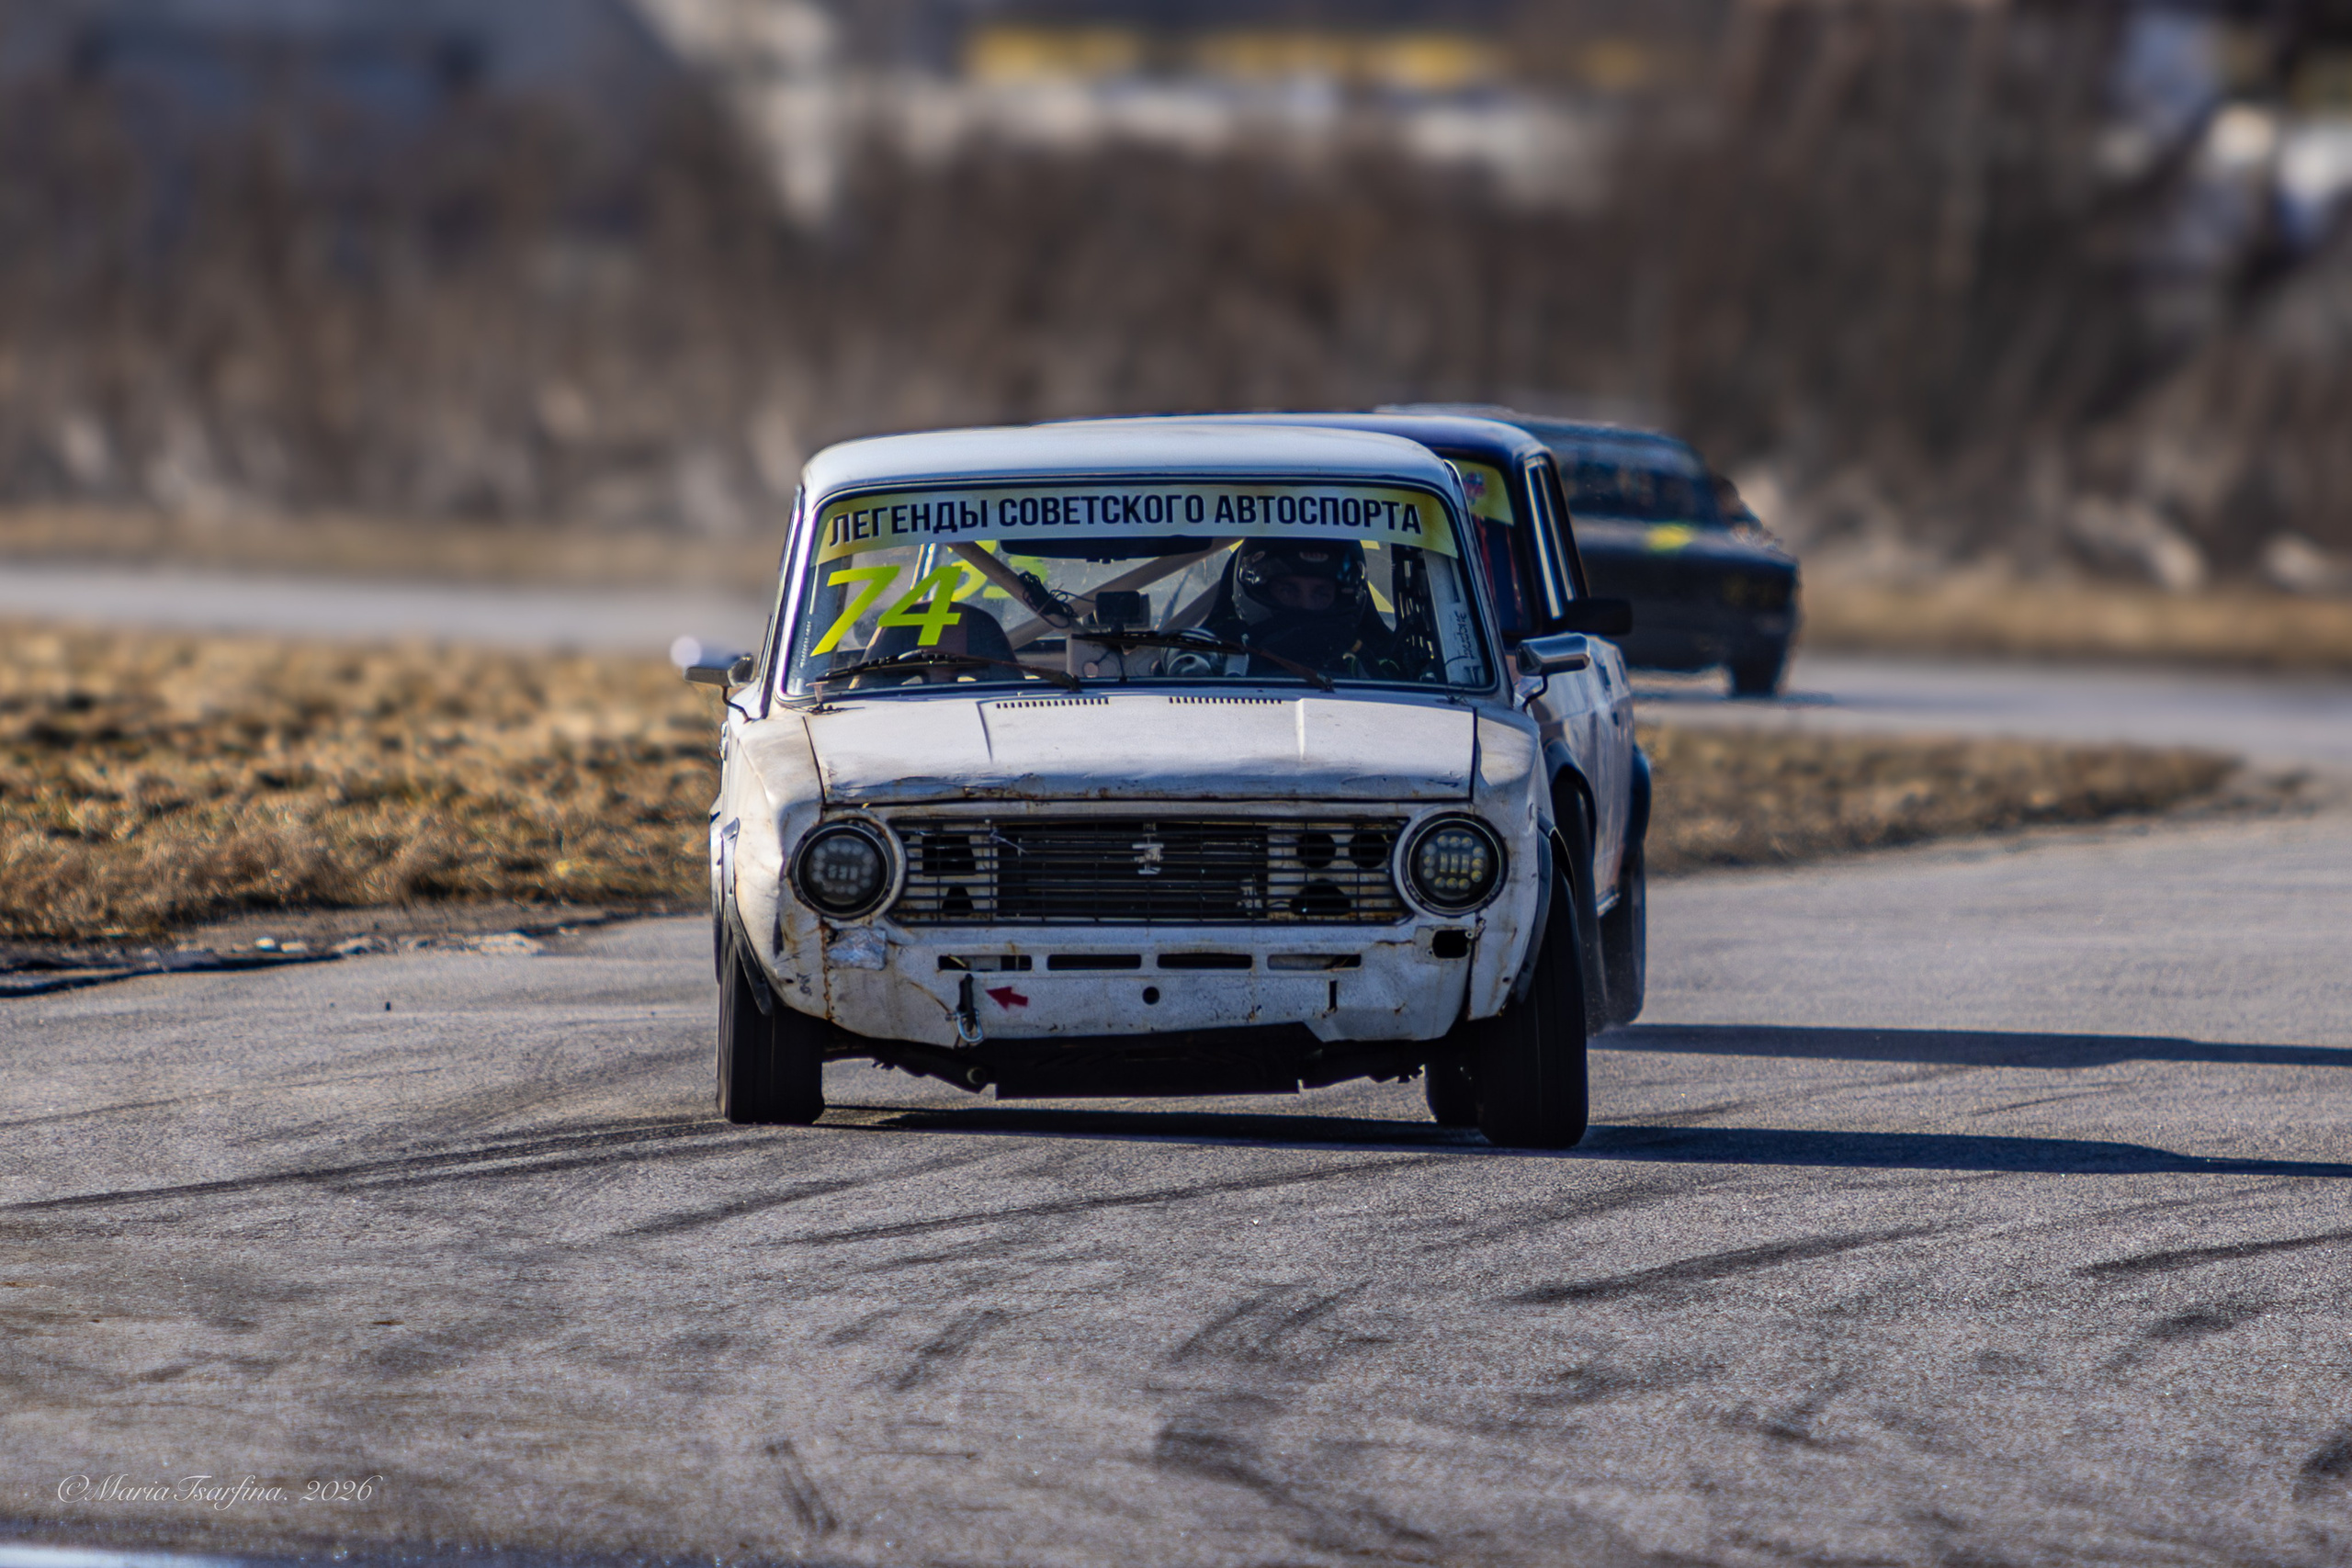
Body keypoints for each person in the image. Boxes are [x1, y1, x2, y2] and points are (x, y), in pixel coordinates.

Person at [1204, 537, 1401, 677]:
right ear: (1259, 591)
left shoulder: (1380, 675)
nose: (1305, 606)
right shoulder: (1207, 667)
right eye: (1288, 591)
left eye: (1321, 594)